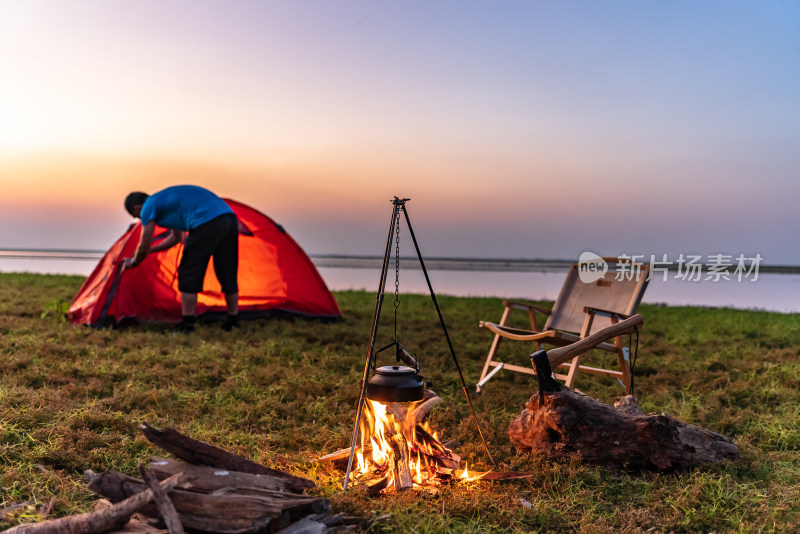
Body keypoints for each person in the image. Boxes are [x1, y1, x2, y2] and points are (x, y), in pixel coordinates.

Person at [123, 185, 239, 333]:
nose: (140, 220)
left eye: (137, 217)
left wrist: (133, 262)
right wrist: (151, 251)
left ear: (137, 208)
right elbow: (177, 238)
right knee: (226, 270)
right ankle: (232, 321)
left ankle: (187, 325)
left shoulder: (148, 206)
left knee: (188, 273)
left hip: (206, 222)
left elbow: (143, 245)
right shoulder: (165, 203)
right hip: (229, 218)